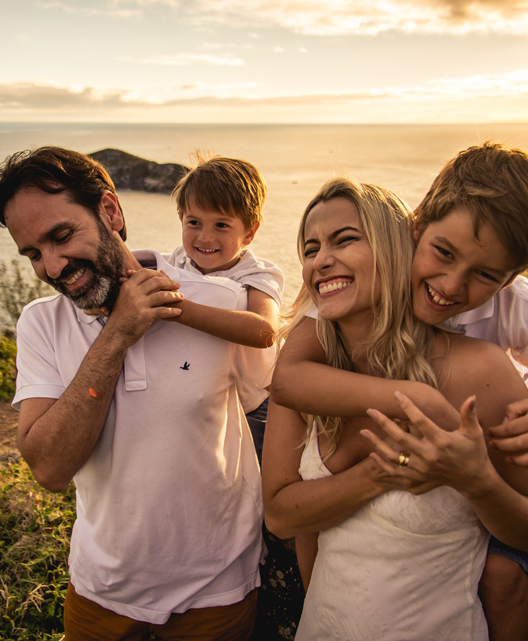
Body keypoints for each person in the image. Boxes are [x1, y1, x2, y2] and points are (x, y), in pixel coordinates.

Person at [270, 143, 528, 640]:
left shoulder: (511, 319)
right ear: (414, 227)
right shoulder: (332, 314)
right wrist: (416, 403)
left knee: (503, 577)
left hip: (485, 471)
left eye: (486, 275)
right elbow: (287, 385)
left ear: (512, 277)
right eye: (442, 252)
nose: (451, 285)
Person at [0, 146, 274, 641]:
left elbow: (265, 400)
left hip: (217, 588)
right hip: (102, 591)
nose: (51, 267)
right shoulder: (41, 324)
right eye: (33, 253)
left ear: (110, 212)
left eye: (60, 236)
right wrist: (117, 333)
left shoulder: (220, 301)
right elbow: (49, 468)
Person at [162, 153, 298, 640]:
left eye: (222, 224)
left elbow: (263, 330)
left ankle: (257, 581)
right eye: (193, 222)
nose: (204, 237)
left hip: (255, 409)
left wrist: (178, 308)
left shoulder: (259, 275)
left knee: (258, 505)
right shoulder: (176, 262)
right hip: (200, 399)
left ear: (251, 230)